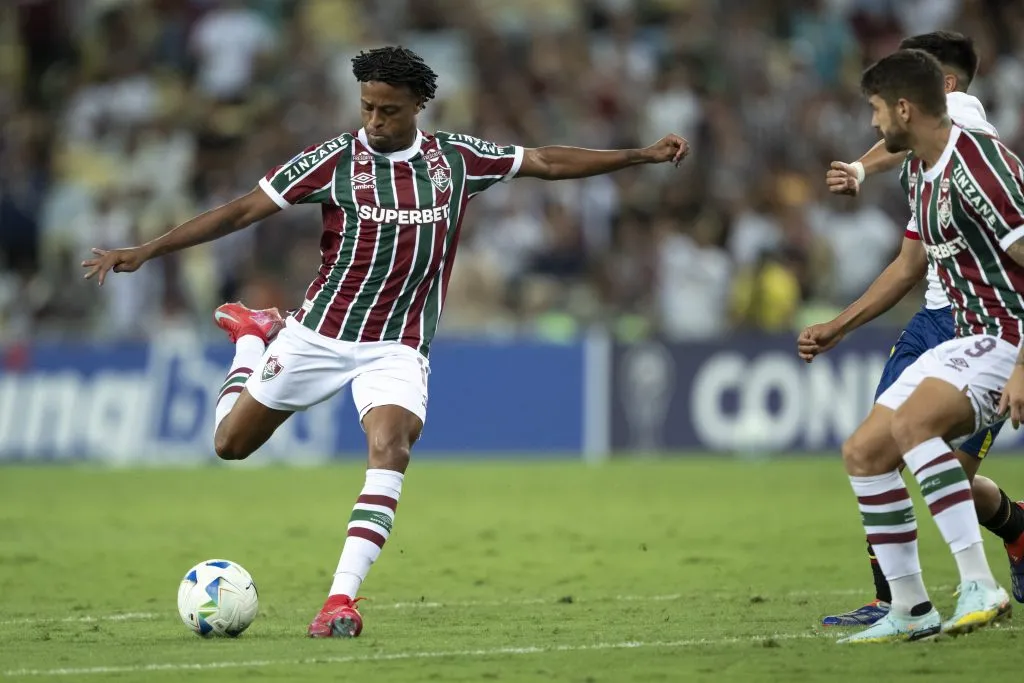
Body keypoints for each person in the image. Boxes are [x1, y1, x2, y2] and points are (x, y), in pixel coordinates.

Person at [81, 46, 690, 639]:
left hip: (395, 346)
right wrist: (147, 250)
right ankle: (251, 339)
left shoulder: (457, 160)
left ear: (421, 103)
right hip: (319, 332)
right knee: (229, 444)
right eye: (367, 107)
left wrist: (638, 155)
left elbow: (547, 162)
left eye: (388, 109)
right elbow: (241, 213)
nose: (374, 120)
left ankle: (338, 600)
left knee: (391, 448)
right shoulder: (332, 161)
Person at [803, 31, 1024, 629]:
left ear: (912, 103)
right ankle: (906, 607)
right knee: (867, 451)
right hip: (956, 332)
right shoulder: (923, 177)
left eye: (877, 109)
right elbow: (908, 263)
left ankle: (979, 585)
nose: (872, 124)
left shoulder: (976, 150)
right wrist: (839, 326)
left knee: (917, 433)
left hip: (1005, 333)